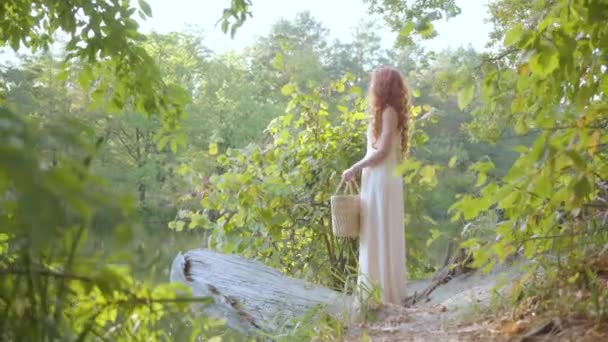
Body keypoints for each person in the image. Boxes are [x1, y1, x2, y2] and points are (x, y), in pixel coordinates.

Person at [342, 66, 410, 305]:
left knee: (380, 230)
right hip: (375, 179)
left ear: (381, 86)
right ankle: (373, 292)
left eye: (374, 82)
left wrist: (354, 168)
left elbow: (381, 153)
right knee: (373, 232)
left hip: (382, 179)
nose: (370, 86)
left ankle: (384, 295)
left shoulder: (389, 112)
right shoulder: (382, 112)